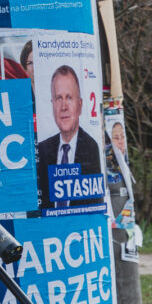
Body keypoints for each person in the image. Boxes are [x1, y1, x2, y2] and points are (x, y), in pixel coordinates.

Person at [35, 65, 103, 208]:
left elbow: (95, 206)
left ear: (80, 105)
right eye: (58, 98)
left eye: (69, 98)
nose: (63, 106)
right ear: (52, 104)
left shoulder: (91, 148)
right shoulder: (42, 150)